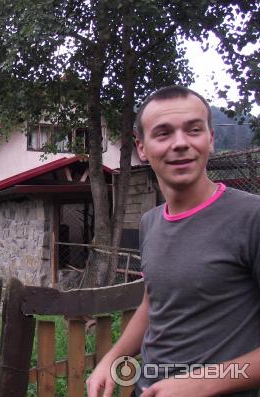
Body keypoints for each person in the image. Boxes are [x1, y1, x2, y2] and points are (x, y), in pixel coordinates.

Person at [86, 86, 260, 397]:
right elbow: (153, 303)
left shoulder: (251, 217)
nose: (180, 143)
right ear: (142, 147)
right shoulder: (150, 222)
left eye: (193, 130)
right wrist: (112, 358)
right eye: (163, 133)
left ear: (211, 138)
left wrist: (203, 383)